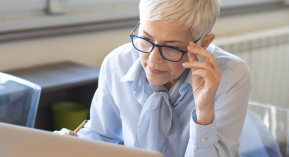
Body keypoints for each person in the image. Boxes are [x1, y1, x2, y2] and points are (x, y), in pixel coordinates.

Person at [54, 0, 252, 156]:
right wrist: (73, 142)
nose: (153, 59)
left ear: (204, 43)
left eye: (171, 47)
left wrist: (204, 112)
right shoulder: (117, 63)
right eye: (146, 38)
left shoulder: (231, 76)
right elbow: (101, 134)